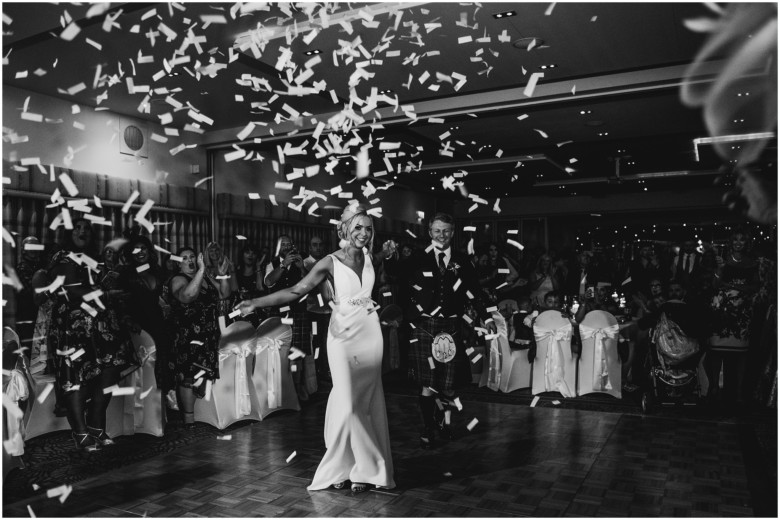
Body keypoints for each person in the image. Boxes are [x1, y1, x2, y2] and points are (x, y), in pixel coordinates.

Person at [235, 203, 398, 493]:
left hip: (370, 335)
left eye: (368, 228)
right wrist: (255, 302)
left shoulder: (371, 257)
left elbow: (382, 286)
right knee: (348, 401)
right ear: (344, 229)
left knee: (365, 402)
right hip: (342, 337)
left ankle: (359, 469)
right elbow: (297, 290)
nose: (363, 233)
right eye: (357, 227)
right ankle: (345, 464)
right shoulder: (329, 262)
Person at [387, 212, 496, 450]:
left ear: (453, 233)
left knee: (448, 385)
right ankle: (427, 427)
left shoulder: (462, 260)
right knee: (428, 384)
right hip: (424, 325)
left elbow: (476, 292)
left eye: (446, 230)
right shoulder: (417, 257)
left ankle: (444, 422)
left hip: (452, 326)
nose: (441, 235)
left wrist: (487, 317)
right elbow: (396, 276)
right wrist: (386, 256)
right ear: (429, 232)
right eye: (437, 230)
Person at [46, 218, 138, 451]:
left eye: (87, 228)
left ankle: (96, 425)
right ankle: (80, 431)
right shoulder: (62, 257)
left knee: (109, 373)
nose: (82, 231)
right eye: (77, 227)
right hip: (73, 328)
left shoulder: (96, 259)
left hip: (102, 325)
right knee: (76, 379)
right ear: (68, 232)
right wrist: (106, 294)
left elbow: (105, 284)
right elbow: (71, 291)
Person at [168, 247, 231, 427]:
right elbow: (187, 296)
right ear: (178, 263)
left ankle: (197, 413)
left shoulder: (206, 277)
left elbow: (224, 294)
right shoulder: (178, 279)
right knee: (189, 377)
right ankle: (188, 419)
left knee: (202, 375)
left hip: (208, 334)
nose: (189, 260)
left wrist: (223, 275)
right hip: (189, 336)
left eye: (192, 257)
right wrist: (202, 270)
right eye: (184, 258)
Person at [707, 229, 759, 408]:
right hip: (722, 309)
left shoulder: (753, 262)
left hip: (742, 311)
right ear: (730, 242)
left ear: (746, 243)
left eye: (742, 240)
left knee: (741, 354)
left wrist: (730, 286)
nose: (738, 243)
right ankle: (714, 387)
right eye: (735, 239)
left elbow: (755, 287)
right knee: (716, 350)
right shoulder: (722, 258)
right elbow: (715, 285)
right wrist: (719, 270)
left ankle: (738, 392)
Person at [120, 230, 174, 398]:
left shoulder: (157, 270)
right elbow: (119, 302)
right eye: (135, 249)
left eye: (143, 248)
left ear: (149, 250)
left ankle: (161, 404)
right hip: (137, 326)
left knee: (162, 363)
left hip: (159, 323)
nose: (140, 252)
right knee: (142, 367)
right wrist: (127, 320)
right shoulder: (125, 273)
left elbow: (165, 296)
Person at [265, 234, 312, 400]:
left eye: (288, 244)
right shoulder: (271, 264)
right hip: (278, 313)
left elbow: (310, 286)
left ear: (293, 246)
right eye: (282, 244)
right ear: (278, 248)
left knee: (297, 351)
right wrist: (283, 265)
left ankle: (297, 387)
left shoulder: (302, 262)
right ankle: (281, 389)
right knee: (279, 351)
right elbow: (269, 282)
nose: (285, 247)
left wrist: (301, 268)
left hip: (298, 311)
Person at [303, 235, 333, 385]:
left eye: (320, 244)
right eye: (315, 245)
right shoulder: (306, 263)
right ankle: (315, 373)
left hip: (328, 311)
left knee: (327, 343)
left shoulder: (325, 262)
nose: (318, 247)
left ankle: (324, 370)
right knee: (315, 343)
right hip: (313, 311)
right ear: (309, 247)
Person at [234, 243, 266, 327]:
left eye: (253, 253)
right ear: (242, 255)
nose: (250, 255)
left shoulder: (260, 274)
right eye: (247, 252)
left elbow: (260, 288)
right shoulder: (236, 273)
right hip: (238, 316)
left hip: (257, 317)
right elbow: (233, 291)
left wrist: (258, 267)